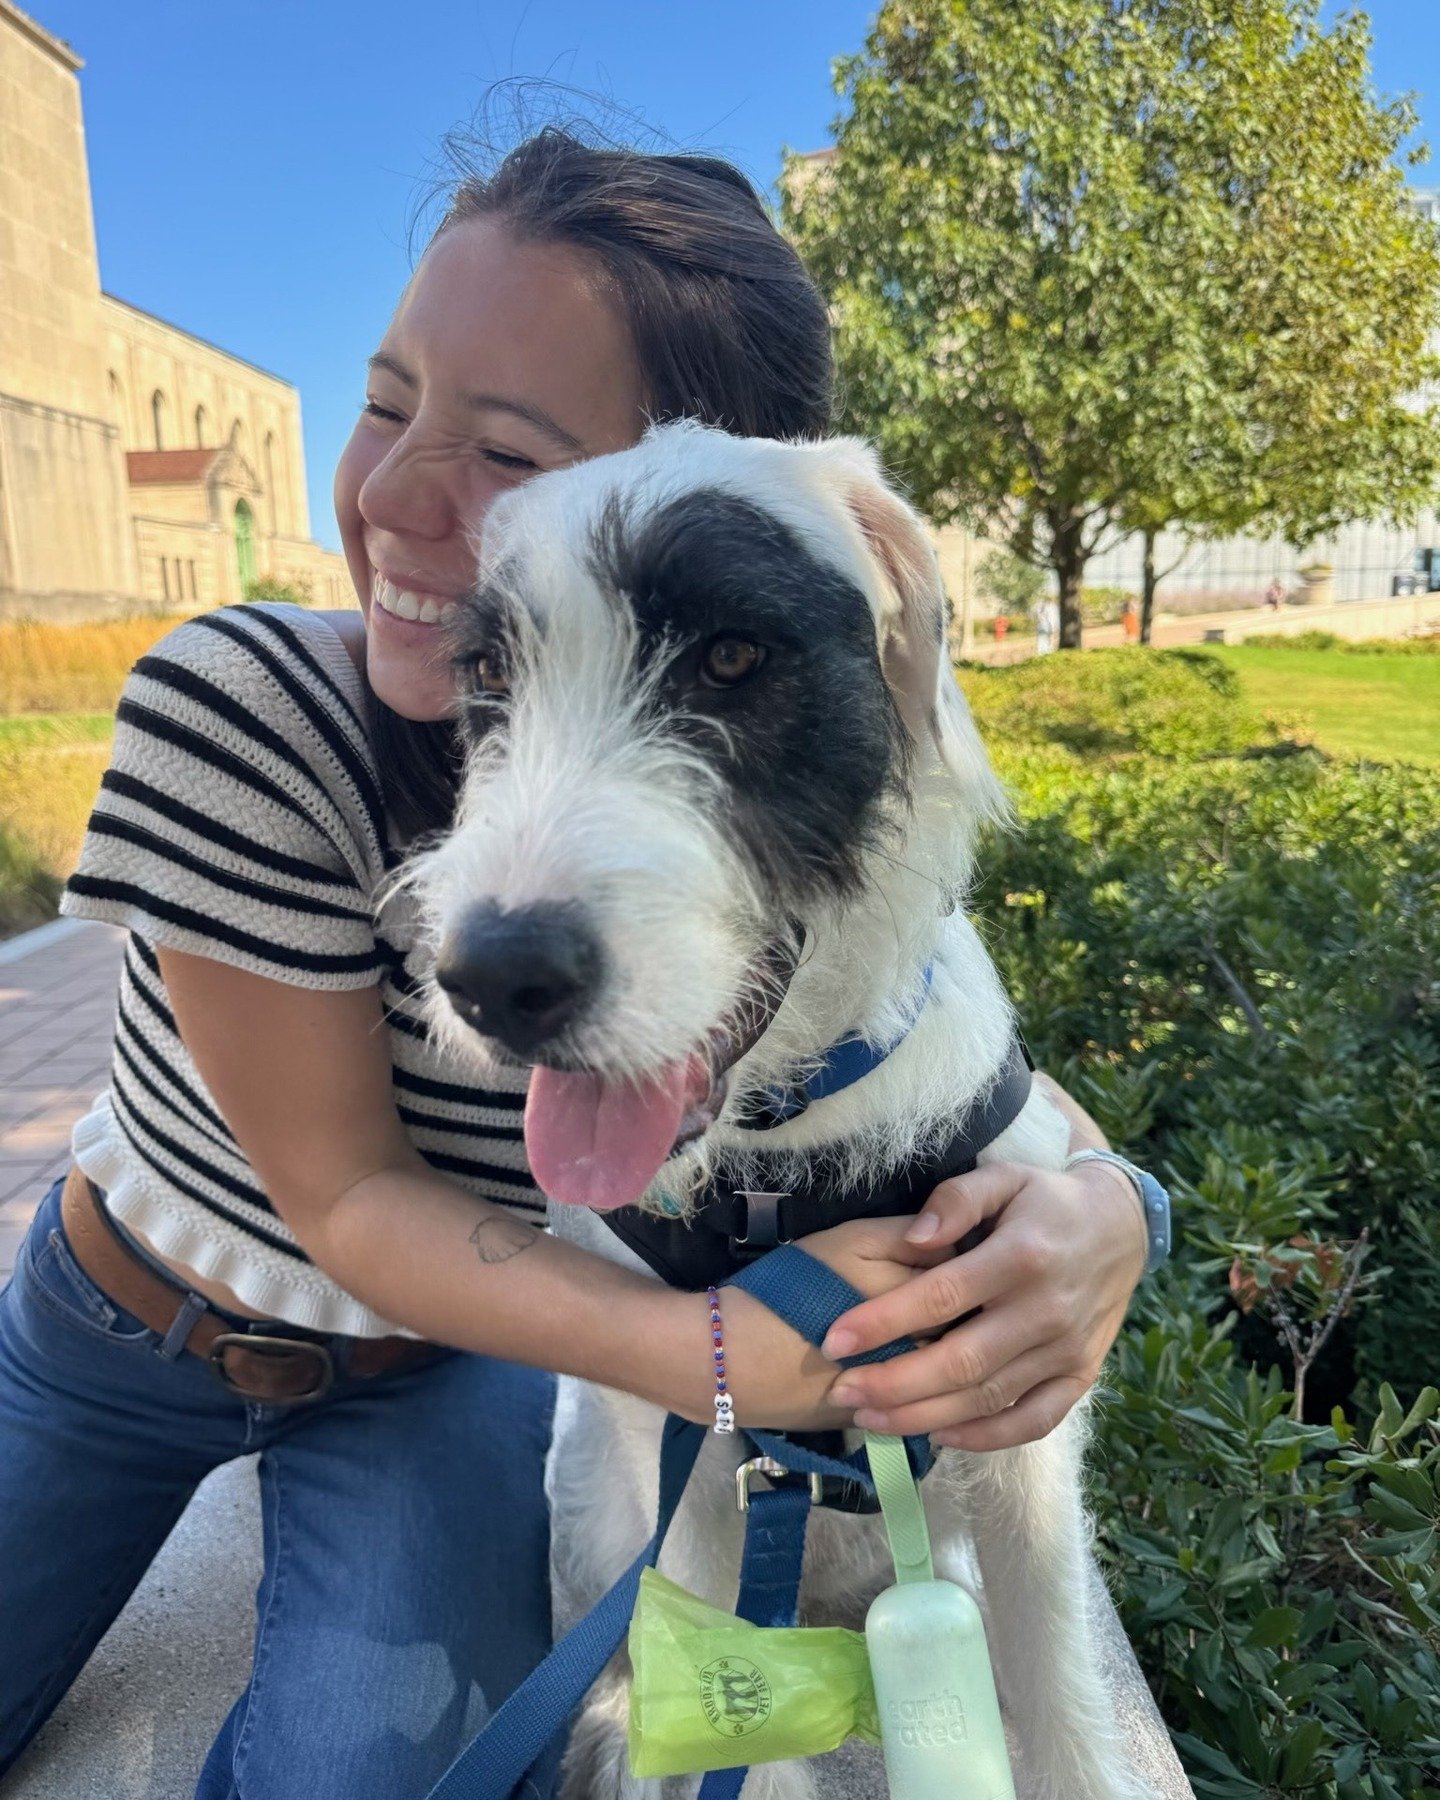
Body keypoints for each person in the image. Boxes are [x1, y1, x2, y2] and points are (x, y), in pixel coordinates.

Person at [0, 130, 1152, 1799]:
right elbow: (345, 1208)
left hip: (434, 1376)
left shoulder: (784, 748)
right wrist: (731, 1362)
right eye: (386, 400)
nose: (394, 494)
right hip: (127, 1335)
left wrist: (1113, 1206)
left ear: (688, 474)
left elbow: (924, 1042)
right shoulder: (238, 707)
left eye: (505, 446)